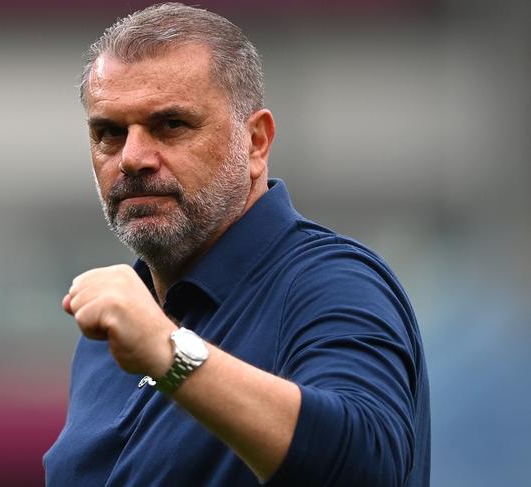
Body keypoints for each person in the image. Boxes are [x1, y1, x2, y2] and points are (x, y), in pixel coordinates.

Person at [43, 3, 430, 486]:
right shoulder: (117, 327)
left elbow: (368, 466)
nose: (133, 158)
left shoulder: (330, 281)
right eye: (110, 133)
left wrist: (169, 352)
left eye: (171, 125)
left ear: (256, 142)